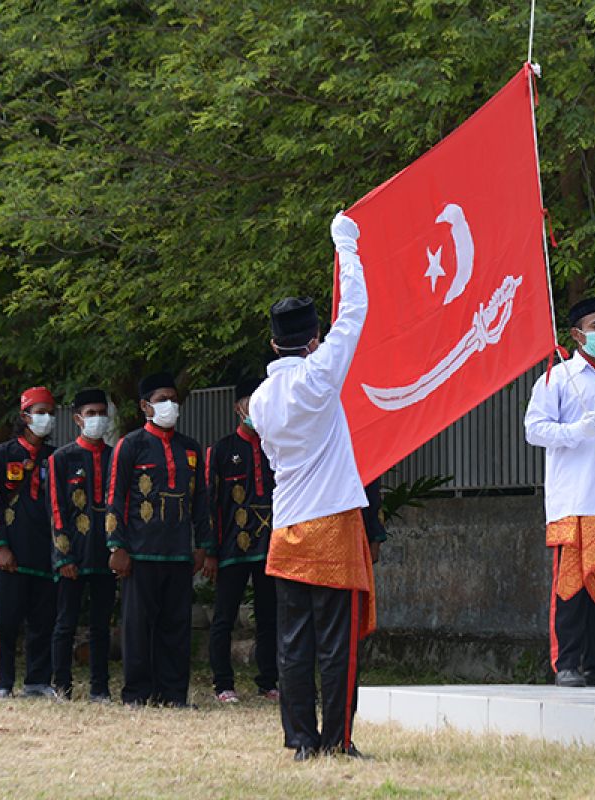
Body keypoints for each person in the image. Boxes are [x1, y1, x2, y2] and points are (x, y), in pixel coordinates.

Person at [249, 212, 377, 761]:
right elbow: (358, 310)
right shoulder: (320, 375)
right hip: (331, 519)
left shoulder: (258, 400)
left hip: (287, 525)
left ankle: (300, 739)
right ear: (312, 339)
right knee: (337, 642)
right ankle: (337, 739)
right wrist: (344, 243)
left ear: (274, 345)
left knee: (292, 641)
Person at [524, 297, 595, 689]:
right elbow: (533, 429)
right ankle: (567, 662)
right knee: (570, 586)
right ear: (577, 334)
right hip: (574, 498)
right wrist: (573, 432)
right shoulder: (558, 378)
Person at [105, 371, 215, 707]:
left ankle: (174, 695)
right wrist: (116, 546)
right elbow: (116, 497)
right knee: (137, 629)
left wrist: (204, 546)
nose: (170, 405)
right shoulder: (131, 445)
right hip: (140, 554)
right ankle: (137, 694)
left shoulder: (190, 449)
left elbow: (201, 502)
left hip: (179, 555)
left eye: (173, 398)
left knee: (177, 628)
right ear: (144, 406)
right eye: (161, 399)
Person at [206, 377, 279, 704]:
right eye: (252, 403)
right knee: (224, 617)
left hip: (271, 547)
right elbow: (210, 504)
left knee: (270, 617)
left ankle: (269, 682)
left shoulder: (278, 445)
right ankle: (223, 684)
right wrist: (210, 551)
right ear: (238, 408)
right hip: (232, 549)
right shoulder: (221, 450)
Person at [0, 386, 59, 700]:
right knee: (6, 621)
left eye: (49, 412)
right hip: (11, 553)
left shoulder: (55, 457)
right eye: (39, 412)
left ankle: (38, 682)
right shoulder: (0, 455)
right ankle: (1, 683)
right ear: (24, 415)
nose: (45, 418)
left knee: (44, 621)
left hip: (46, 552)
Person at [48, 387, 115, 702]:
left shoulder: (116, 456)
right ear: (77, 419)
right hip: (73, 554)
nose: (97, 419)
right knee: (65, 623)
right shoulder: (61, 459)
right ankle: (61, 686)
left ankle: (100, 688)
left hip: (107, 555)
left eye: (102, 413)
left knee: (101, 626)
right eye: (91, 414)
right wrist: (64, 556)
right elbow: (56, 510)